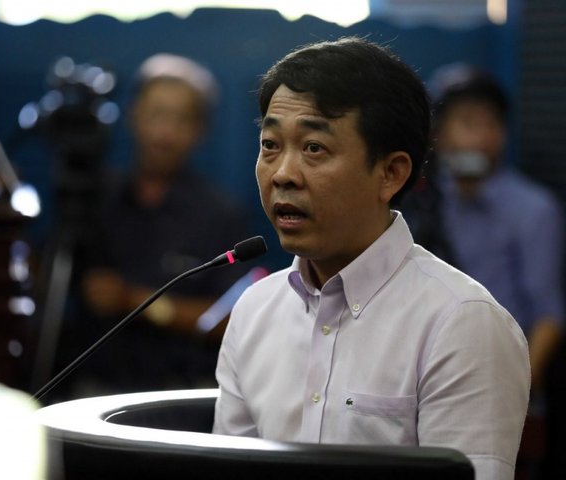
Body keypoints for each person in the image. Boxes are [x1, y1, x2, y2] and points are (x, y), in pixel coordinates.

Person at [212, 37, 530, 480]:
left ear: (391, 173)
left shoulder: (462, 323)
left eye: (314, 148)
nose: (283, 174)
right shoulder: (254, 311)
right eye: (270, 145)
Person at [62, 53, 253, 397]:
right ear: (133, 115)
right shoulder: (93, 198)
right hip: (95, 389)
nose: (165, 133)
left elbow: (232, 319)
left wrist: (135, 301)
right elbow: (50, 280)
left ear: (201, 131)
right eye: (157, 114)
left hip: (181, 392)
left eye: (181, 119)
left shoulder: (220, 213)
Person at [401, 63, 564, 398]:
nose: (482, 137)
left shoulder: (534, 209)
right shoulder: (420, 202)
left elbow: (548, 314)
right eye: (468, 123)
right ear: (438, 134)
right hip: (422, 379)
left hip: (497, 381)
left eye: (492, 124)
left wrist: (517, 392)